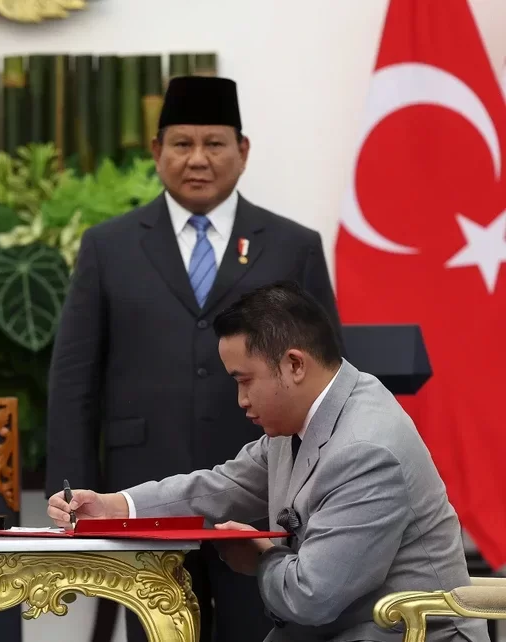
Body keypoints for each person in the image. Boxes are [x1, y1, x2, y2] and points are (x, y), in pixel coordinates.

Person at [45, 75, 345, 642]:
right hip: (140, 494)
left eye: (215, 143)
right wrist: (71, 490)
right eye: (182, 143)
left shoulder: (293, 245)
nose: (198, 159)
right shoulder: (108, 246)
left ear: (243, 151)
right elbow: (74, 379)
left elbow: (327, 379)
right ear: (157, 150)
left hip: (264, 499)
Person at [47, 282, 487, 642]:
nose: (241, 400)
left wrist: (261, 559)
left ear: (294, 364)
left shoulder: (367, 449)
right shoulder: (307, 415)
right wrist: (116, 506)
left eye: (245, 381)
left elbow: (312, 597)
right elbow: (225, 485)